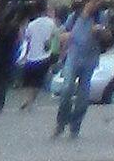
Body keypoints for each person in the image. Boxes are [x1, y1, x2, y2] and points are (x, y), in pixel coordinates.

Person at [49, 8, 99, 140]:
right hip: (73, 58)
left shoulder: (100, 16)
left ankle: (75, 126)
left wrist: (100, 31)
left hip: (90, 60)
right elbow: (62, 35)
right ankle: (61, 122)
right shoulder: (74, 16)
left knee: (83, 96)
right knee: (66, 89)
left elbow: (109, 36)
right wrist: (71, 35)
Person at [13, 3, 58, 102]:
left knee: (29, 81)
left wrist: (25, 55)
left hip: (31, 56)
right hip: (44, 56)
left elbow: (27, 40)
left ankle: (27, 98)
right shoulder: (51, 23)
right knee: (38, 82)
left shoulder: (31, 24)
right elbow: (53, 36)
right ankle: (31, 99)